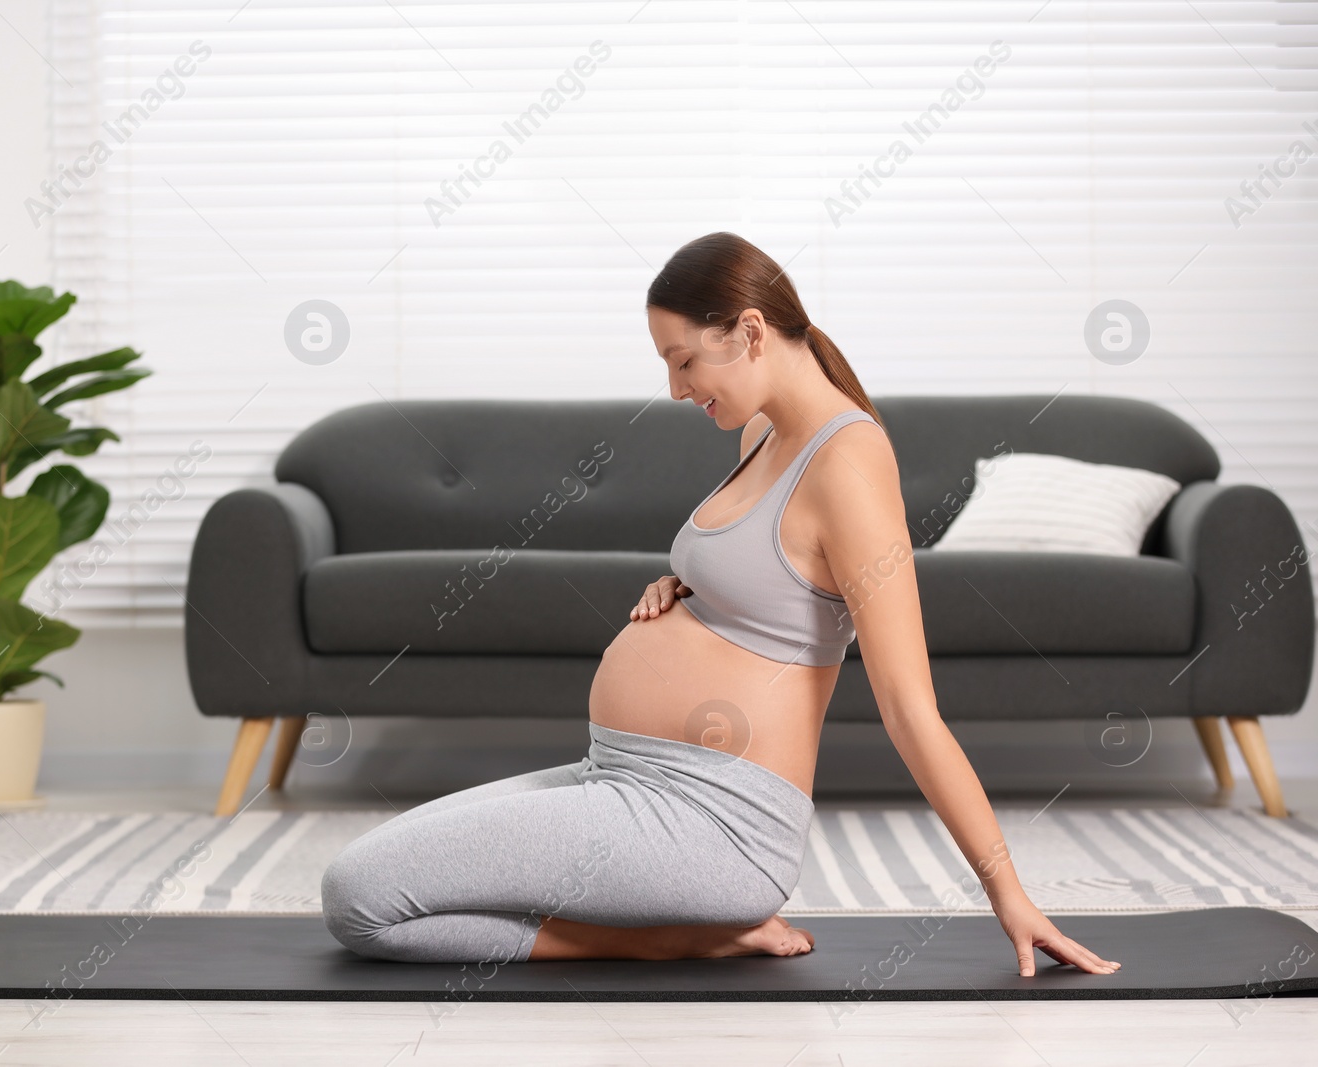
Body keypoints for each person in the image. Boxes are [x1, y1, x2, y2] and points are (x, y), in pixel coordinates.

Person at [321, 231, 1120, 978]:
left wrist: (1007, 893)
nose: (674, 390)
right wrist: (687, 592)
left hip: (713, 822)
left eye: (683, 362)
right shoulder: (762, 434)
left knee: (361, 900)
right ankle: (665, 927)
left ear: (747, 331)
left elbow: (911, 710)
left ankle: (661, 938)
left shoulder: (849, 464)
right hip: (621, 776)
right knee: (375, 869)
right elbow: (770, 588)